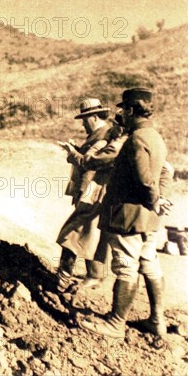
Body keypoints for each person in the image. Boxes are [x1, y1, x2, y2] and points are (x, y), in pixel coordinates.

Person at [80, 88, 170, 340]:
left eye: (123, 110)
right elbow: (166, 172)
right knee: (150, 265)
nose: (121, 115)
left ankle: (116, 324)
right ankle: (157, 320)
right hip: (147, 220)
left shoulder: (137, 140)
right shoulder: (155, 137)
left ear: (131, 110)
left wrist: (153, 199)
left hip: (128, 216)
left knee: (126, 269)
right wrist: (158, 200)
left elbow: (144, 181)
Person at [55, 98, 111, 292]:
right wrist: (77, 150)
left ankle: (63, 278)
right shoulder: (100, 134)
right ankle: (94, 277)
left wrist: (73, 154)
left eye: (85, 119)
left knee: (72, 233)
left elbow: (93, 164)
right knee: (89, 234)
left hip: (93, 193)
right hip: (93, 192)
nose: (83, 124)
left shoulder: (103, 135)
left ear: (94, 117)